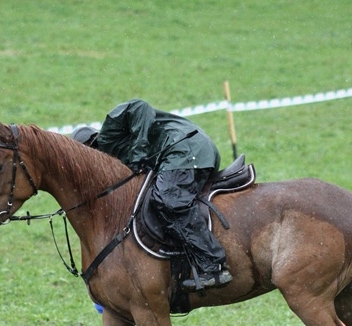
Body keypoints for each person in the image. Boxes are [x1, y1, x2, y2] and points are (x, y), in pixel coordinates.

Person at [71, 99, 233, 289]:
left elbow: (139, 106)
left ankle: (213, 266)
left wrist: (138, 153)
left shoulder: (108, 137)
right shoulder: (111, 161)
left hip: (186, 149)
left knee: (168, 200)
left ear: (90, 146)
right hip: (186, 151)